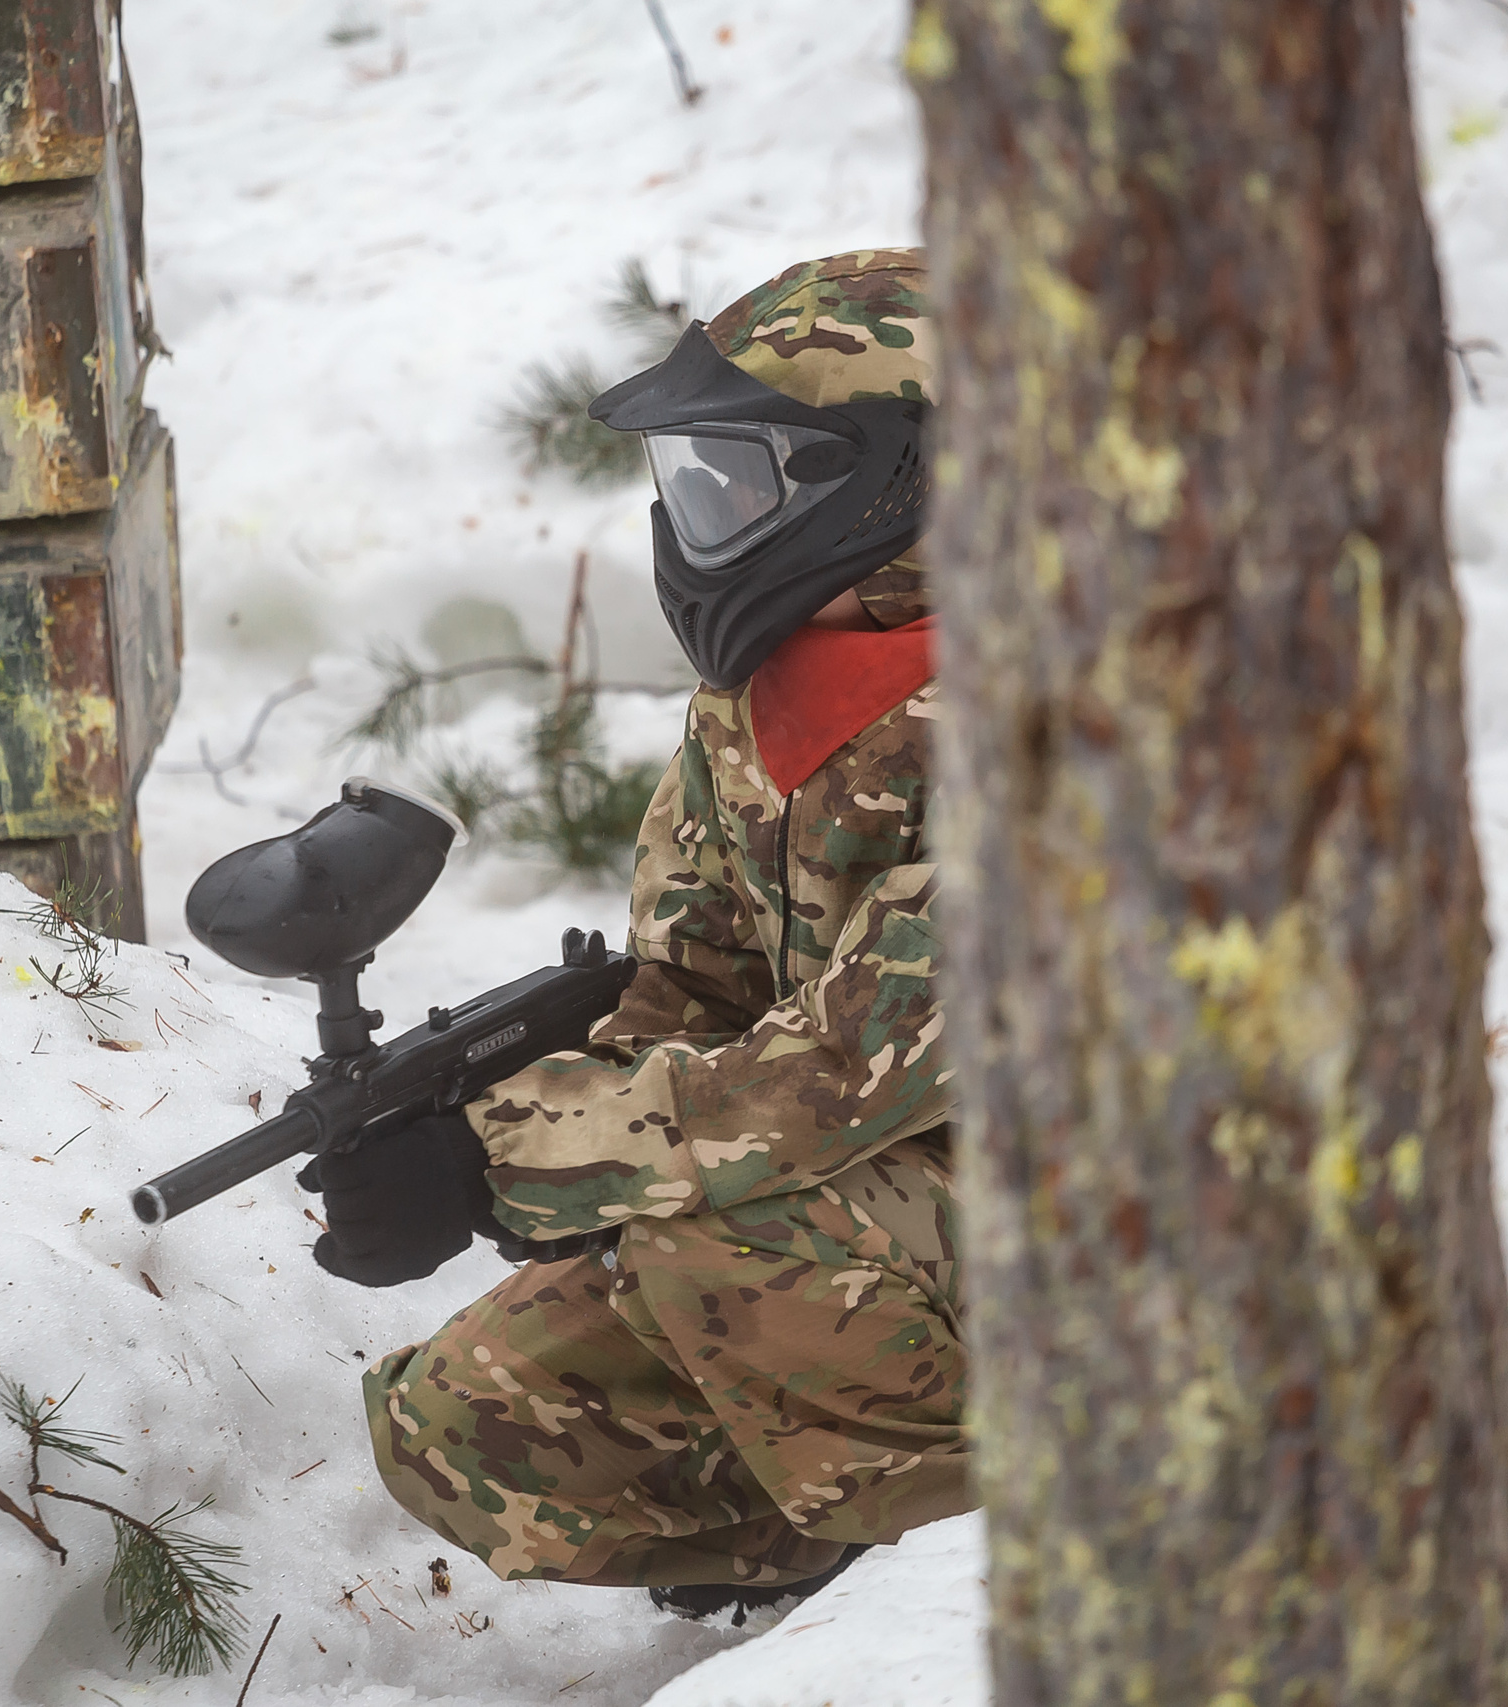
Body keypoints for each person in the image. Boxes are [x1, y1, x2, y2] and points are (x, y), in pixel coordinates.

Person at [298, 250, 963, 1625]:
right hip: (906, 1223)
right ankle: (841, 1573)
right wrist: (489, 1103)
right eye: (695, 484)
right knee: (462, 1428)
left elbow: (821, 1083)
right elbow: (690, 1003)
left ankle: (979, 1584)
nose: (707, 520)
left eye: (750, 481)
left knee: (713, 1232)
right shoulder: (767, 714)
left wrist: (504, 1159)